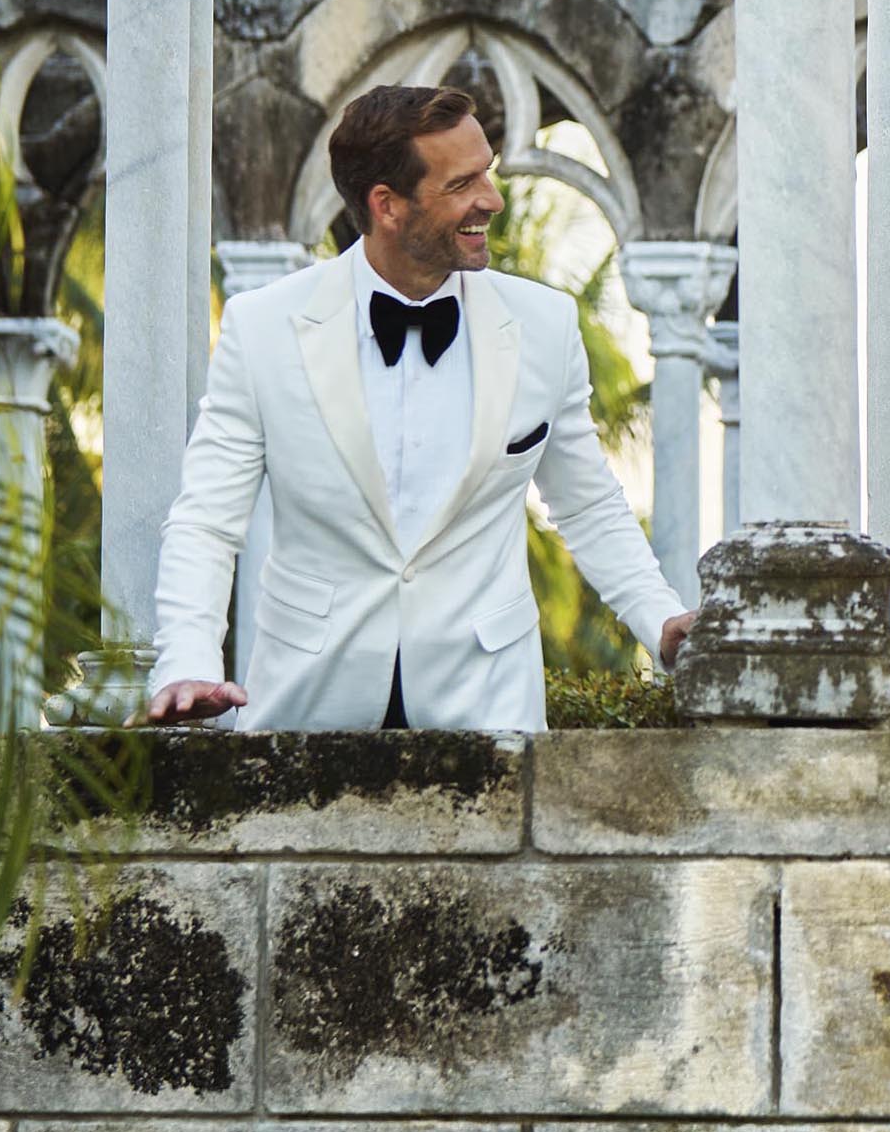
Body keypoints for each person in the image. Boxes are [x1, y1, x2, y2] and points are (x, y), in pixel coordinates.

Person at [146, 82, 693, 735]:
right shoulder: (263, 328)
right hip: (308, 709)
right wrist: (185, 663)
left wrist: (662, 620)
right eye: (462, 184)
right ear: (387, 206)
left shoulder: (544, 326)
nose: (492, 199)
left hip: (488, 713)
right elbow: (208, 519)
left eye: (486, 172)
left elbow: (588, 504)